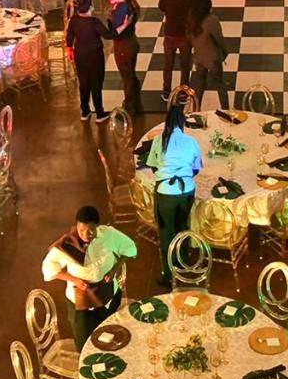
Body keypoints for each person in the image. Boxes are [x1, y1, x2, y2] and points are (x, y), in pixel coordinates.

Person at [41, 205, 137, 349]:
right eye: (81, 230)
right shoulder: (68, 244)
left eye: (91, 230)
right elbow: (48, 267)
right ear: (76, 226)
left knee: (110, 337)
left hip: (106, 294)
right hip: (80, 301)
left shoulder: (109, 235)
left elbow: (130, 248)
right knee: (84, 343)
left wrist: (115, 268)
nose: (86, 235)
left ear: (97, 226)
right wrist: (73, 279)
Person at [146, 103, 202, 287]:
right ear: (183, 122)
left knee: (166, 232)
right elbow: (196, 169)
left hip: (165, 193)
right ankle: (183, 260)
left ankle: (168, 273)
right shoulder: (191, 141)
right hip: (187, 191)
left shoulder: (159, 141)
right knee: (183, 226)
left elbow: (153, 166)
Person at [64, 0, 112, 122]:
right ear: (90, 7)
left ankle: (85, 112)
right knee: (96, 83)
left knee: (84, 83)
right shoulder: (94, 22)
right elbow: (107, 35)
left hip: (80, 55)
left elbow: (69, 36)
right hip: (95, 56)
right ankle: (99, 113)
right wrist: (111, 22)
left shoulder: (74, 20)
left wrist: (69, 49)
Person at [158, 0, 200, 101]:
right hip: (186, 35)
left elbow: (161, 8)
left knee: (168, 65)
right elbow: (198, 8)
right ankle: (183, 93)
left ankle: (166, 92)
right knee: (185, 65)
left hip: (170, 35)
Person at [106, 0, 143, 114]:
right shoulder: (128, 5)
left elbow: (114, 33)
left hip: (123, 48)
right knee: (130, 74)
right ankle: (136, 102)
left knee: (127, 77)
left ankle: (129, 107)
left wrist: (111, 17)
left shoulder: (121, 9)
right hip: (131, 43)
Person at [189, 0, 230, 110]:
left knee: (200, 85)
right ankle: (225, 110)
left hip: (198, 58)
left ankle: (196, 110)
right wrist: (225, 51)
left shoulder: (192, 19)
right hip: (212, 58)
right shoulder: (212, 20)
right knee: (220, 84)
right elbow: (219, 38)